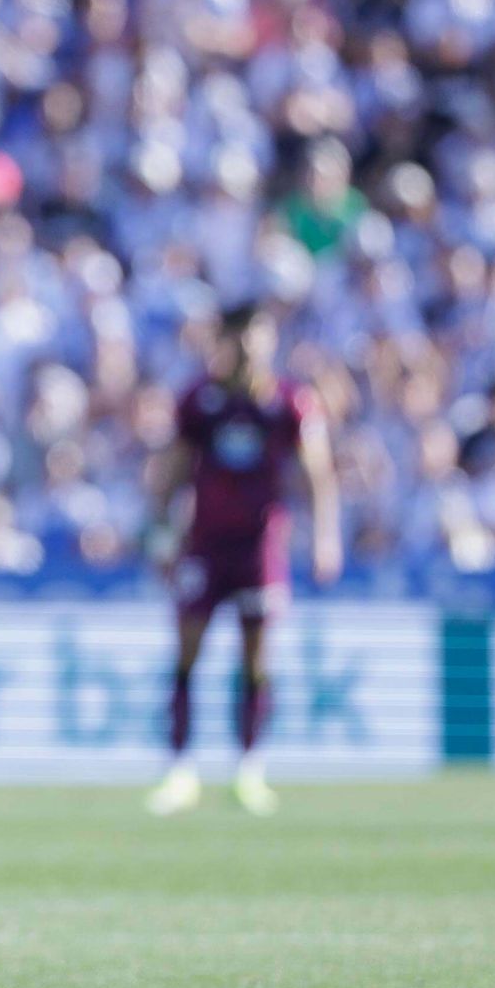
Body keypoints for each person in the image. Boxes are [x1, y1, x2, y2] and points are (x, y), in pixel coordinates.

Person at [144, 303, 342, 817]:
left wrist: (325, 538)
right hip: (205, 544)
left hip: (260, 547)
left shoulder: (289, 403)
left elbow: (317, 474)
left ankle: (249, 770)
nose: (246, 352)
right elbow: (172, 469)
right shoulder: (200, 401)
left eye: (256, 340)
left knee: (256, 658)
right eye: (238, 341)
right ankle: (179, 770)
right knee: (187, 650)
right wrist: (161, 535)